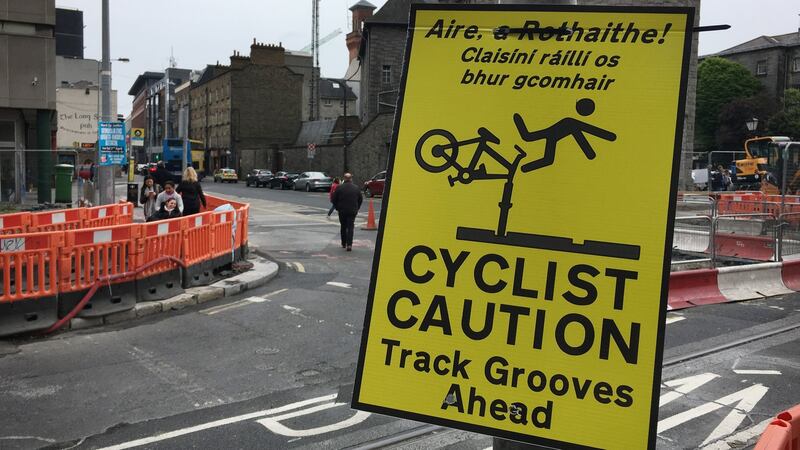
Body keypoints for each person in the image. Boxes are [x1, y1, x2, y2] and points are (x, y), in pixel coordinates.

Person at [331, 172, 362, 251]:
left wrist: (337, 207)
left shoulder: (339, 187)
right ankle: (349, 245)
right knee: (350, 227)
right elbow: (360, 199)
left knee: (343, 226)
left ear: (344, 179)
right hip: (352, 210)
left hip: (342, 210)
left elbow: (334, 199)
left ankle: (343, 243)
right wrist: (357, 208)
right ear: (351, 179)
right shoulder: (356, 188)